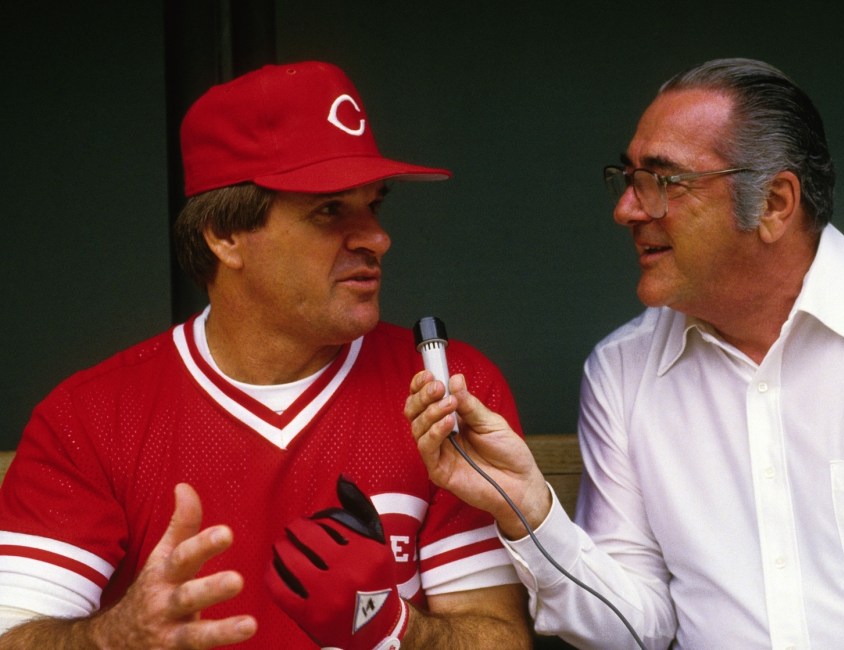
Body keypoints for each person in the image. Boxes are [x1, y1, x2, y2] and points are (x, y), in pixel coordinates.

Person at [405, 57, 844, 648]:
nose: (626, 209)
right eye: (627, 179)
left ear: (776, 204)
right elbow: (635, 628)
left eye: (663, 180)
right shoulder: (622, 371)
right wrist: (530, 509)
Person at [0, 61, 530, 649]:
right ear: (225, 235)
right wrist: (113, 639)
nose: (377, 238)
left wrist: (392, 625)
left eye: (374, 205)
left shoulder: (443, 386)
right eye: (330, 210)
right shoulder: (93, 417)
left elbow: (498, 639)